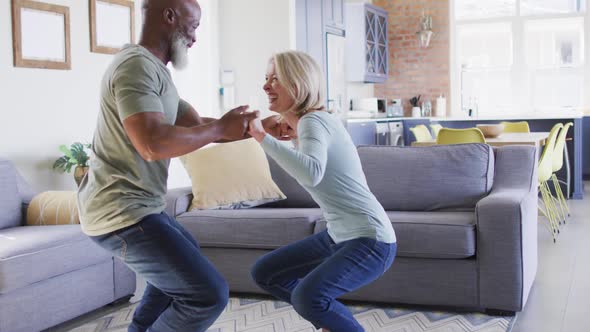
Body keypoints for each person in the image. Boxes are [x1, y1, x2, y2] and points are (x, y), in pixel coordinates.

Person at [77, 0, 261, 331]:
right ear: (169, 16)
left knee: (175, 277)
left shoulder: (155, 71)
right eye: (193, 27)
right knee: (207, 294)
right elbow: (152, 144)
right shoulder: (135, 66)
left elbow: (198, 125)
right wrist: (220, 127)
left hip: (140, 207)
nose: (195, 37)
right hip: (120, 213)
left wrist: (263, 129)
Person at [248, 51, 397, 331]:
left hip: (370, 239)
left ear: (298, 83)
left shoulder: (314, 121)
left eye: (275, 79)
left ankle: (328, 317)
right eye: (266, 79)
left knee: (308, 297)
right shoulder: (310, 124)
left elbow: (311, 173)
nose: (266, 86)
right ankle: (330, 321)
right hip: (339, 235)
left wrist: (262, 136)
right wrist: (289, 134)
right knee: (267, 273)